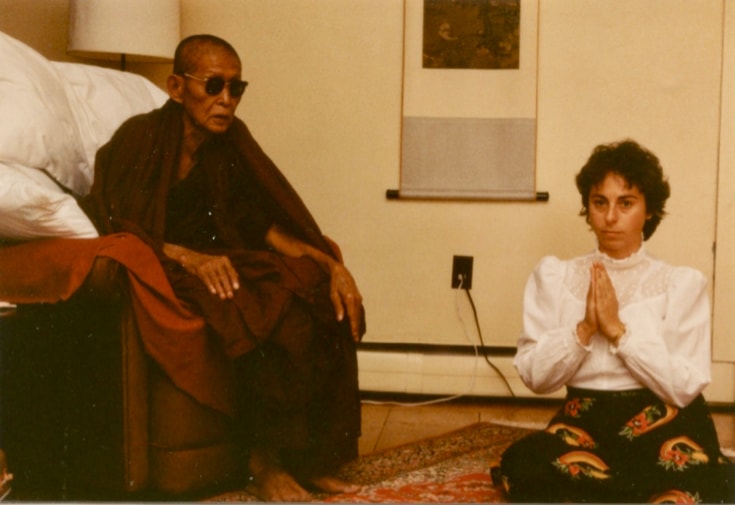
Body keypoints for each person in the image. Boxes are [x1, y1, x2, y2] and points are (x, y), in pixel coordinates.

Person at [82, 34, 365, 502]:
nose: (226, 101)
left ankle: (308, 460)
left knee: (309, 288)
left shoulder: (231, 143)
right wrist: (189, 259)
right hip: (162, 262)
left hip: (224, 259)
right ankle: (263, 461)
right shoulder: (140, 137)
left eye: (237, 89)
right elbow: (114, 223)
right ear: (176, 87)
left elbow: (264, 225)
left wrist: (332, 265)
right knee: (253, 309)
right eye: (213, 86)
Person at [495, 140, 734, 503]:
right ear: (587, 208)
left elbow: (685, 386)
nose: (610, 217)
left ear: (649, 210)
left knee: (683, 470)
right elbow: (535, 377)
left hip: (659, 417)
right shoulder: (557, 277)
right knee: (524, 463)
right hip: (584, 421)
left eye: (626, 203)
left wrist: (620, 334)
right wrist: (584, 330)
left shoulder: (679, 284)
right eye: (599, 202)